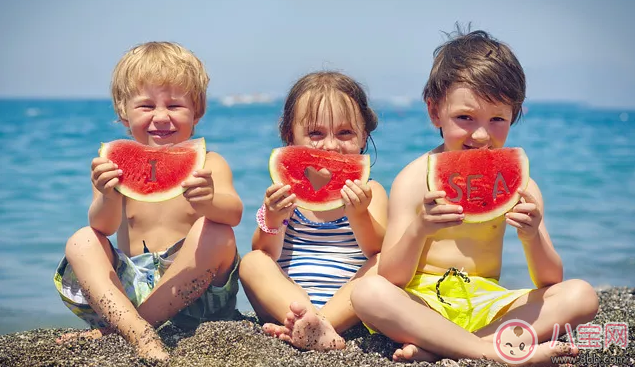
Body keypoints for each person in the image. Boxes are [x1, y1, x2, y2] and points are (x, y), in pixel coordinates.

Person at [351, 28, 599, 365]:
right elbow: (392, 277)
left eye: (497, 119)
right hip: (422, 304)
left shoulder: (523, 185)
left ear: (515, 115)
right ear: (434, 111)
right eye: (465, 118)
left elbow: (549, 279)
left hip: (488, 305)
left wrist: (531, 235)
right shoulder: (413, 179)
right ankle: (490, 350)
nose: (481, 135)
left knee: (581, 295)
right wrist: (420, 229)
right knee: (368, 292)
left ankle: (447, 347)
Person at [53, 42, 243, 361]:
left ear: (198, 111)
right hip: (130, 289)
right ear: (123, 115)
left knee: (218, 232)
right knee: (82, 240)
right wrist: (108, 192)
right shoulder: (113, 166)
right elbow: (103, 226)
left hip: (196, 291)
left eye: (174, 105)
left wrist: (209, 201)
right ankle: (138, 330)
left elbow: (234, 212)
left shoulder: (211, 162)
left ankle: (129, 329)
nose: (160, 117)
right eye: (145, 106)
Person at [239, 71, 388, 351]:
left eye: (345, 133)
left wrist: (359, 214)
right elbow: (266, 251)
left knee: (384, 264)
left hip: (349, 314)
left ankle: (319, 325)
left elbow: (378, 249)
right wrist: (273, 218)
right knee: (252, 262)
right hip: (288, 307)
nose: (331, 145)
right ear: (289, 136)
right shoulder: (286, 191)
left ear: (364, 135)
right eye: (316, 133)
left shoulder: (372, 191)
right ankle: (307, 326)